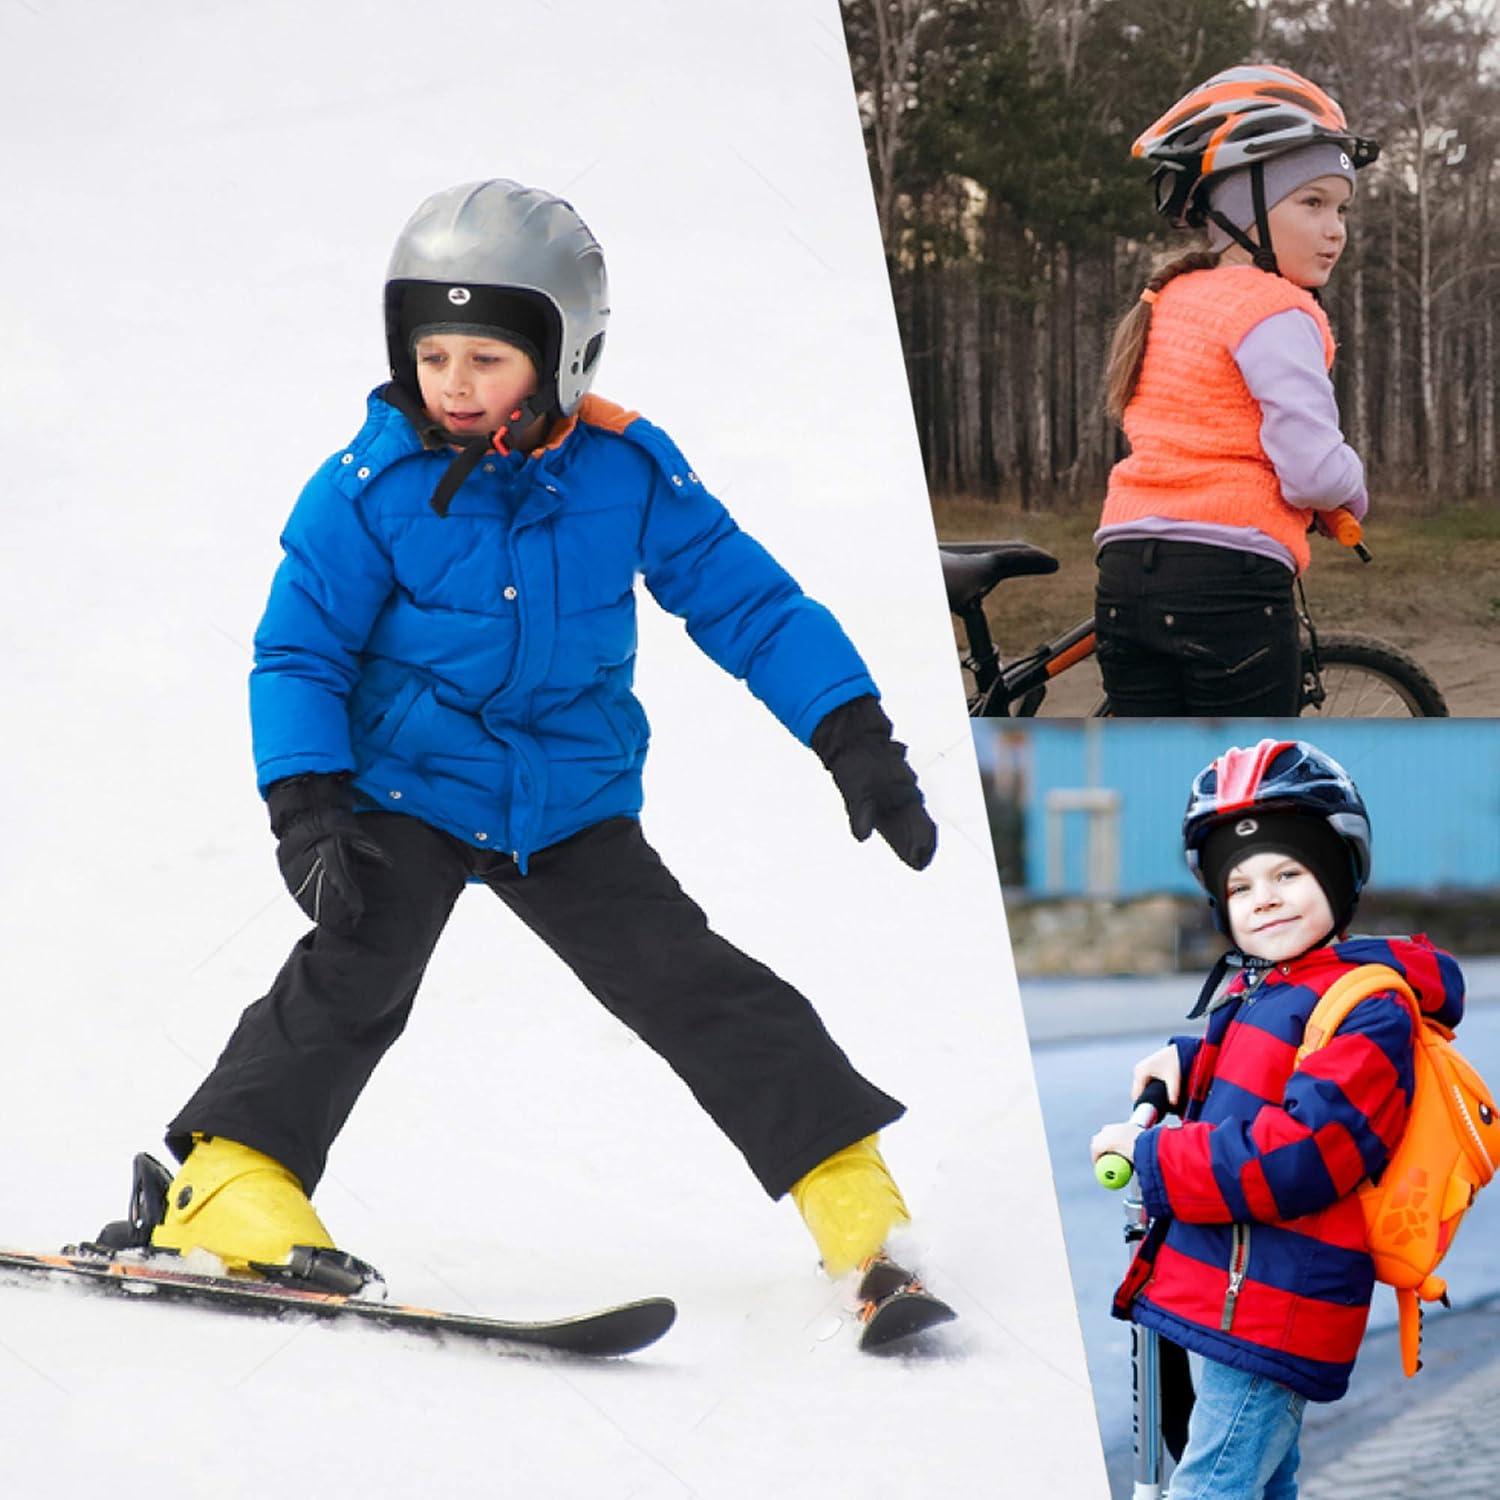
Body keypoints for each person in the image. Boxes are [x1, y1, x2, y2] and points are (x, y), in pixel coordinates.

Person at [137, 179, 938, 1293]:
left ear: (564, 355)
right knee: (354, 971)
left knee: (690, 979)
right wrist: (307, 800)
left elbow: (753, 606)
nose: (454, 384)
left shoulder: (628, 471)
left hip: (568, 802)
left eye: (487, 357)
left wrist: (853, 735)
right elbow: (300, 651)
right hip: (404, 792)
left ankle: (848, 1189)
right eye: (433, 355)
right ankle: (227, 1185)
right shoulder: (365, 490)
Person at [1089, 739, 1466, 1499]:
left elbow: (1301, 1151)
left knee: (1211, 1487)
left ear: (1337, 876)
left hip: (1272, 1310)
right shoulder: (1267, 988)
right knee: (1262, 1486)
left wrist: (1154, 1158)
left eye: (1289, 873)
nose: (1265, 896)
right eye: (1241, 883)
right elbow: (1266, 1075)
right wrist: (1189, 1063)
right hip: (1235, 1295)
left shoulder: (1369, 1004)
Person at [1095, 65, 1378, 716]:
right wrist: (1352, 490)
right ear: (1242, 208)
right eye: (1312, 203)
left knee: (1152, 780)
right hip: (1228, 584)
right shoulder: (1277, 310)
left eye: (1341, 208)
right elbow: (1311, 470)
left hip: (1122, 567)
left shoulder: (1169, 297)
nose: (1335, 228)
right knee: (1245, 780)